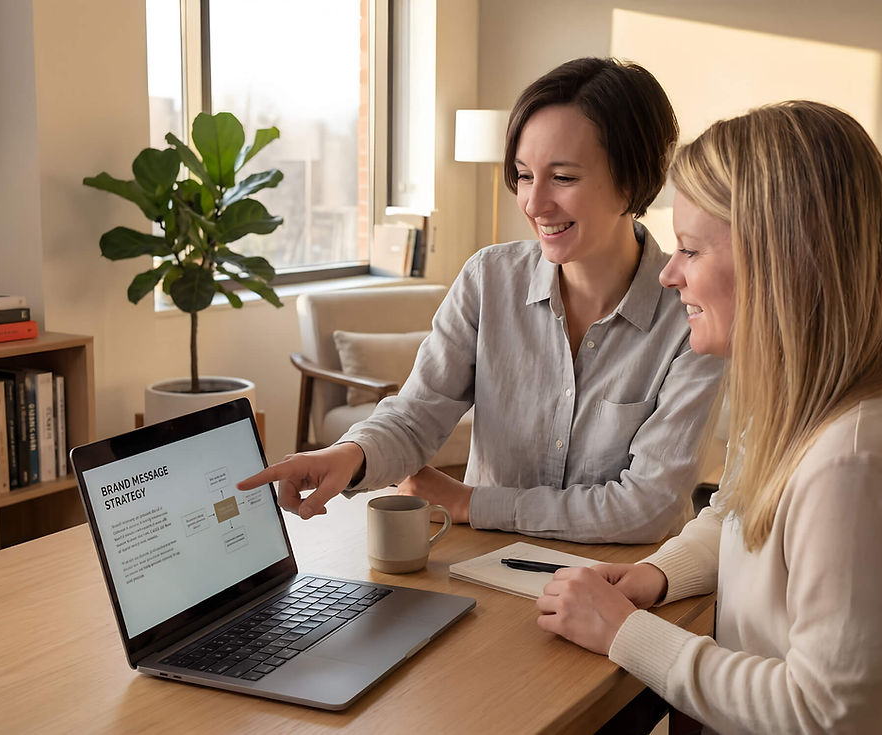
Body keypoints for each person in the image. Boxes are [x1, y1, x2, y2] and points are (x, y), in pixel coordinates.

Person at [536, 101, 882, 733]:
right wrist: (656, 575)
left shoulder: (854, 461)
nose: (669, 272)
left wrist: (626, 634)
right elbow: (738, 519)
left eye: (689, 249)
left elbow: (831, 716)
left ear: (786, 262)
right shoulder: (800, 409)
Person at [239, 58, 723, 543]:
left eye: (564, 177)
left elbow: (649, 507)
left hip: (616, 586)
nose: (534, 205)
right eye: (524, 175)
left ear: (633, 180)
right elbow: (416, 416)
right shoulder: (488, 279)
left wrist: (471, 502)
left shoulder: (692, 318)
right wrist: (351, 455)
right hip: (485, 567)